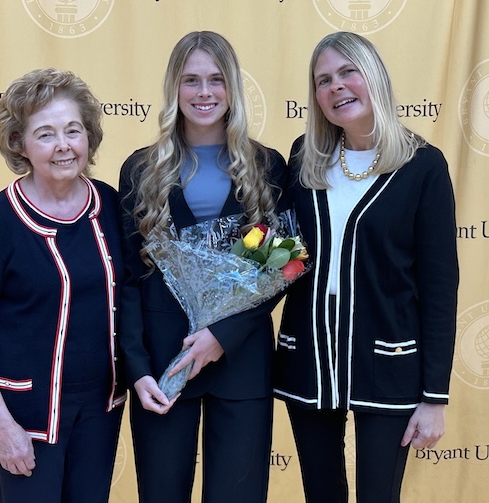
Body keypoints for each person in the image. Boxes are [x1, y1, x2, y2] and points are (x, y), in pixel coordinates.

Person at [274, 32, 459, 503]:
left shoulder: (423, 166)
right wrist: (233, 276)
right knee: (320, 493)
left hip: (389, 362)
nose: (336, 87)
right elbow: (282, 254)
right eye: (323, 80)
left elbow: (439, 288)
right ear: (316, 96)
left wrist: (435, 396)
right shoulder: (304, 157)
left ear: (373, 76)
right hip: (309, 359)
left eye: (347, 72)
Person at [118, 31, 287, 503]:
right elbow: (129, 280)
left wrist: (223, 336)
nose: (204, 92)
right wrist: (136, 368)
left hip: (243, 361)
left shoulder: (267, 167)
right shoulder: (141, 170)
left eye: (216, 79)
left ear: (233, 88)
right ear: (174, 89)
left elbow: (276, 271)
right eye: (191, 80)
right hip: (162, 366)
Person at [0, 68, 127, 503]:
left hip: (100, 413)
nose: (64, 145)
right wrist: (3, 426)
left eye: (73, 130)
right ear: (21, 145)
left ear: (89, 137)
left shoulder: (111, 205)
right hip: (24, 420)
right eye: (46, 134)